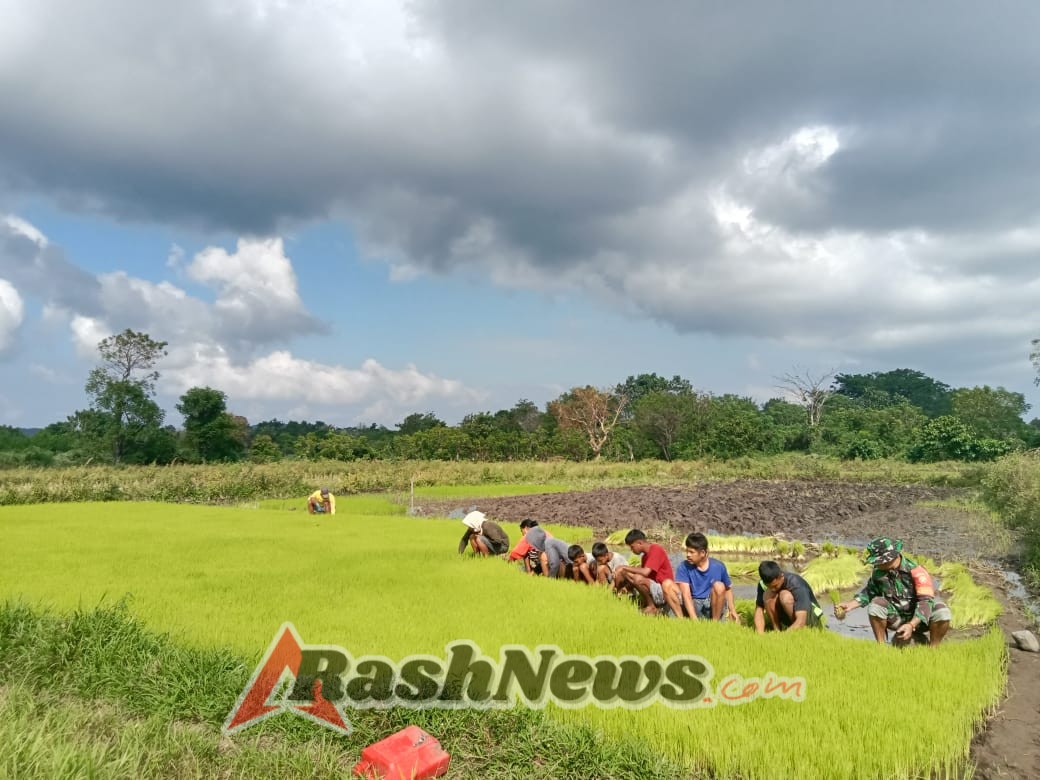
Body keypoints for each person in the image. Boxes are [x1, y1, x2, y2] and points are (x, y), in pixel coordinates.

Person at [834, 537, 952, 647]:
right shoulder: (879, 572)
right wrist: (850, 605)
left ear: (888, 559)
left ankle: (933, 649)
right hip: (897, 619)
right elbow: (870, 591)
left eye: (878, 561)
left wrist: (911, 625)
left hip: (920, 620)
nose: (876, 564)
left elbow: (925, 602)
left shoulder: (917, 572)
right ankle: (881, 647)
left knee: (942, 611)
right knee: (876, 604)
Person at [613, 529, 683, 616]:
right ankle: (647, 603)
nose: (632, 550)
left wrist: (624, 567)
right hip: (655, 588)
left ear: (639, 543)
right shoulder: (645, 557)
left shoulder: (656, 549)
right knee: (626, 573)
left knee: (637, 578)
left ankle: (651, 606)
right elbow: (645, 575)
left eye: (632, 547)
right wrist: (626, 585)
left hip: (665, 590)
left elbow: (645, 573)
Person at [675, 532, 739, 622]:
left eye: (691, 552)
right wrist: (694, 620)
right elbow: (686, 595)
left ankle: (715, 622)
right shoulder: (683, 567)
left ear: (702, 553)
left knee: (719, 586)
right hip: (695, 603)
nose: (688, 555)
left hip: (712, 605)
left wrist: (733, 611)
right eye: (687, 551)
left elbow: (728, 589)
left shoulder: (718, 566)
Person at [754, 561, 825, 632]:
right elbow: (759, 610)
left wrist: (783, 637)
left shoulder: (796, 584)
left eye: (775, 586)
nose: (773, 589)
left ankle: (799, 632)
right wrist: (760, 635)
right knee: (768, 594)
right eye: (769, 586)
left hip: (811, 618)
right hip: (791, 617)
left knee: (784, 596)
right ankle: (777, 630)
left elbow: (801, 620)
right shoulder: (762, 584)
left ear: (781, 576)